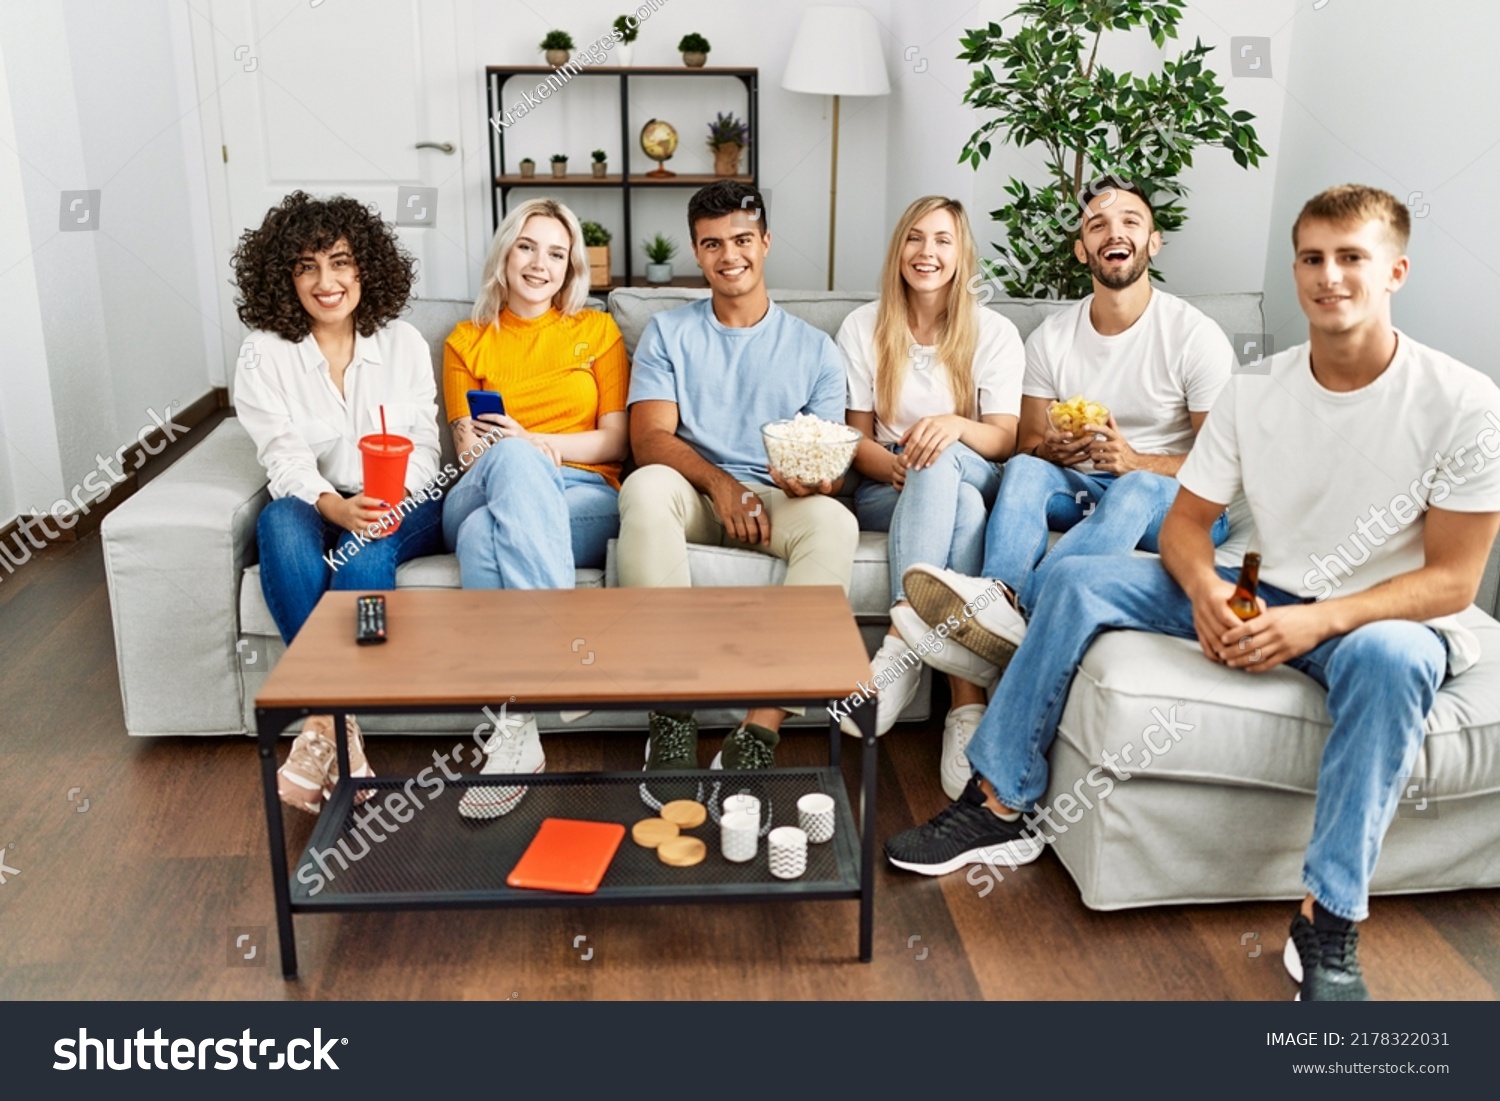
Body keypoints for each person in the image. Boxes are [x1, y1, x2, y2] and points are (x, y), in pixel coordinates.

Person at [884, 184, 1500, 1002]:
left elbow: (1454, 579)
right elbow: (1187, 525)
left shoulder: (1463, 401)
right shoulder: (1259, 389)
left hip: (1376, 615)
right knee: (1071, 577)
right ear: (1295, 270)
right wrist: (1207, 590)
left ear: (1395, 270)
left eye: (1353, 258)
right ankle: (1000, 804)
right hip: (1254, 584)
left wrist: (1318, 618)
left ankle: (1328, 920)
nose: (1331, 276)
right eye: (1314, 258)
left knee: (1390, 660)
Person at [900, 183, 1235, 773]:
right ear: (1082, 249)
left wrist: (1136, 461)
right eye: (1098, 225)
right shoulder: (1053, 336)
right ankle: (996, 599)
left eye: (1131, 221)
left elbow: (1225, 461)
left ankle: (1021, 617)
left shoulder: (1192, 334)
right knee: (1027, 470)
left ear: (1152, 242)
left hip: (1180, 499)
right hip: (1085, 486)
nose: (1115, 232)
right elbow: (1023, 445)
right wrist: (1054, 447)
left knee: (1131, 488)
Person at [617, 179, 858, 775]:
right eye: (713, 244)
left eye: (743, 239)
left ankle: (760, 728)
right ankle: (670, 715)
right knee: (643, 487)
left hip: (777, 499)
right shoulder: (668, 333)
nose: (730, 256)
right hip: (695, 493)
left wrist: (813, 483)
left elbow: (830, 460)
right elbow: (649, 439)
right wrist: (722, 486)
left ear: (766, 241)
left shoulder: (817, 349)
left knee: (834, 521)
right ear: (697, 253)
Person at [233, 191, 444, 814]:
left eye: (341, 262)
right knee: (279, 521)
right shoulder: (264, 353)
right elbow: (282, 457)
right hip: (318, 500)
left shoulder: (402, 343)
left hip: (401, 500)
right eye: (307, 266)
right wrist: (331, 505)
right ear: (284, 277)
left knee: (362, 556)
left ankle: (321, 723)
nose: (327, 282)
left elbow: (427, 445)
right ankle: (337, 723)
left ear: (365, 268)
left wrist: (389, 500)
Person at [440, 198, 629, 819]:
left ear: (572, 266)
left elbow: (617, 440)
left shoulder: (596, 332)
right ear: (505, 253)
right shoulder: (466, 341)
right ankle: (564, 660)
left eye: (556, 252)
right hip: (485, 482)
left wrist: (538, 443)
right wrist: (478, 439)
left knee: (479, 540)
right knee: (510, 467)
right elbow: (467, 448)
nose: (539, 264)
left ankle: (514, 730)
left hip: (582, 492)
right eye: (527, 246)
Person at [836, 196, 1022, 788]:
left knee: (946, 465)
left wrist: (951, 427)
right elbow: (853, 440)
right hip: (886, 482)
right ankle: (966, 708)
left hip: (971, 463)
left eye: (943, 241)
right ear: (899, 251)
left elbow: (1003, 440)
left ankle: (899, 641)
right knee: (957, 504)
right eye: (916, 239)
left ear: (962, 254)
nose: (928, 252)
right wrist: (899, 464)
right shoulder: (863, 326)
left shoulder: (994, 332)